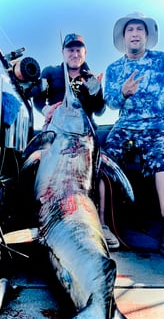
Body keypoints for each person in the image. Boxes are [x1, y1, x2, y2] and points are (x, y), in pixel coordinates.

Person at [103, 12, 164, 258]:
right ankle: (102, 224)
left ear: (146, 35)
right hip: (126, 125)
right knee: (104, 161)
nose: (134, 34)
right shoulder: (114, 69)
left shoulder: (163, 60)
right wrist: (123, 92)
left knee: (163, 163)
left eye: (139, 30)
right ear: (124, 36)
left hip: (157, 126)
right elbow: (110, 101)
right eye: (130, 30)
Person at [32, 33, 120, 249]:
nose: (74, 53)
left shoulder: (91, 77)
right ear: (63, 53)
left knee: (100, 170)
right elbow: (36, 98)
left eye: (78, 49)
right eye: (70, 49)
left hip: (85, 137)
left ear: (85, 52)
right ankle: (41, 220)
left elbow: (99, 110)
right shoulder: (50, 73)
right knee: (32, 164)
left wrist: (96, 91)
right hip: (54, 134)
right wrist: (46, 109)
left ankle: (101, 223)